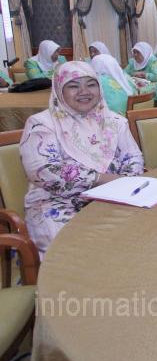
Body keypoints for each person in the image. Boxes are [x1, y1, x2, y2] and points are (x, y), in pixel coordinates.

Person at [20, 61, 144, 255]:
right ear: (59, 89)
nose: (84, 92)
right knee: (81, 251)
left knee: (146, 234)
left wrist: (124, 184)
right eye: (73, 86)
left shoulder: (115, 121)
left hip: (116, 196)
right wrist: (102, 179)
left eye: (91, 84)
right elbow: (44, 171)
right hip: (58, 201)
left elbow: (133, 158)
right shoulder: (41, 124)